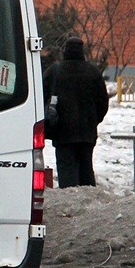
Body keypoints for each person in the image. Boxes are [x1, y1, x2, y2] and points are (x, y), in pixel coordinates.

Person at [42, 36, 109, 187]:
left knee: (66, 171)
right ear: (82, 52)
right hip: (87, 133)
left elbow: (41, 96)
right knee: (86, 169)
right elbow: (103, 102)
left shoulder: (55, 71)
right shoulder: (93, 72)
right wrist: (93, 120)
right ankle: (88, 201)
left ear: (65, 51)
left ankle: (70, 201)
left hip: (62, 132)